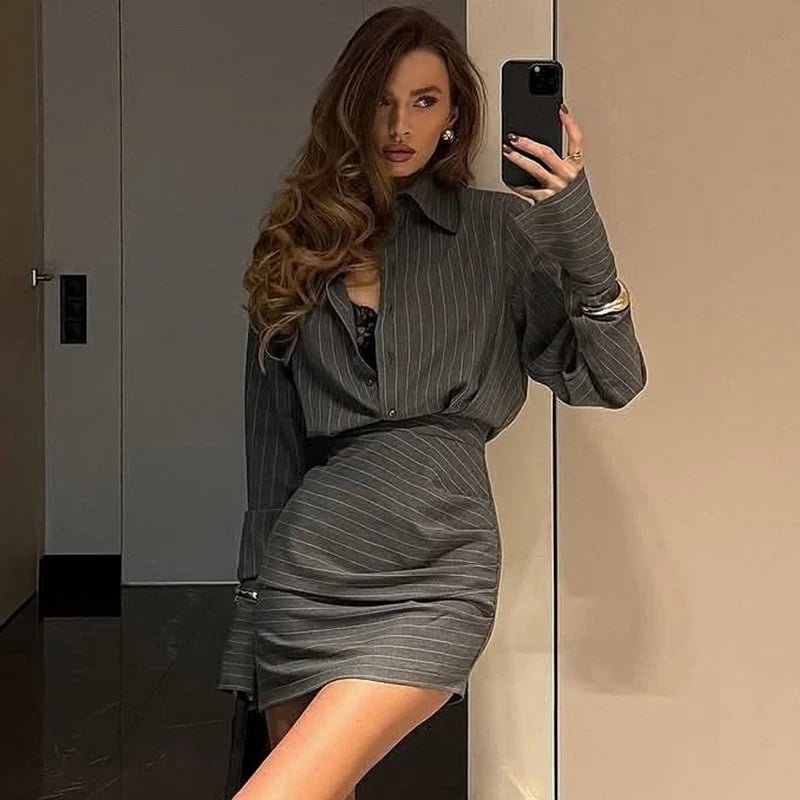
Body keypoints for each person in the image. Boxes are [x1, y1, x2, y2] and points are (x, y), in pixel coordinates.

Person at [217, 6, 647, 800]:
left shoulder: (498, 232)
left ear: (454, 117)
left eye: (423, 101)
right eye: (382, 101)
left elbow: (611, 380)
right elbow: (271, 451)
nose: (399, 125)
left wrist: (577, 227)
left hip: (435, 575)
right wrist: (251, 610)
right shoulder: (297, 243)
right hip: (307, 573)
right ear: (350, 107)